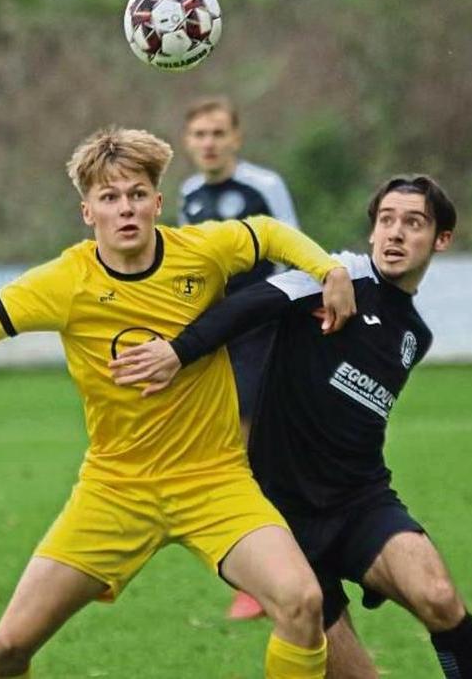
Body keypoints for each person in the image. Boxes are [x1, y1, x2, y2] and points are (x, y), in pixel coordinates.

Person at [0, 126, 358, 678]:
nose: (126, 209)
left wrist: (328, 269)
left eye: (137, 195)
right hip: (115, 490)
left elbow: (266, 232)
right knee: (6, 652)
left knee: (302, 603)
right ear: (87, 212)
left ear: (158, 203)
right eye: (110, 197)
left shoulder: (201, 253)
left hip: (214, 480)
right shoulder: (66, 281)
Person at [110, 175, 472, 678]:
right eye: (386, 221)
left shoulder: (415, 336)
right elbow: (247, 305)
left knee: (440, 598)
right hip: (277, 518)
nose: (396, 234)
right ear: (371, 232)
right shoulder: (332, 277)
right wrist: (177, 352)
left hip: (359, 501)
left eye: (413, 223)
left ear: (441, 239)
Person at [179, 96, 300, 619]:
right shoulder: (187, 195)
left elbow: (296, 250)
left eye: (217, 133)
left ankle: (262, 577)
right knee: (227, 446)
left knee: (248, 445)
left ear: (236, 137)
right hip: (217, 335)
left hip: (265, 330)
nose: (208, 143)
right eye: (199, 134)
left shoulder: (264, 187)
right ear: (188, 142)